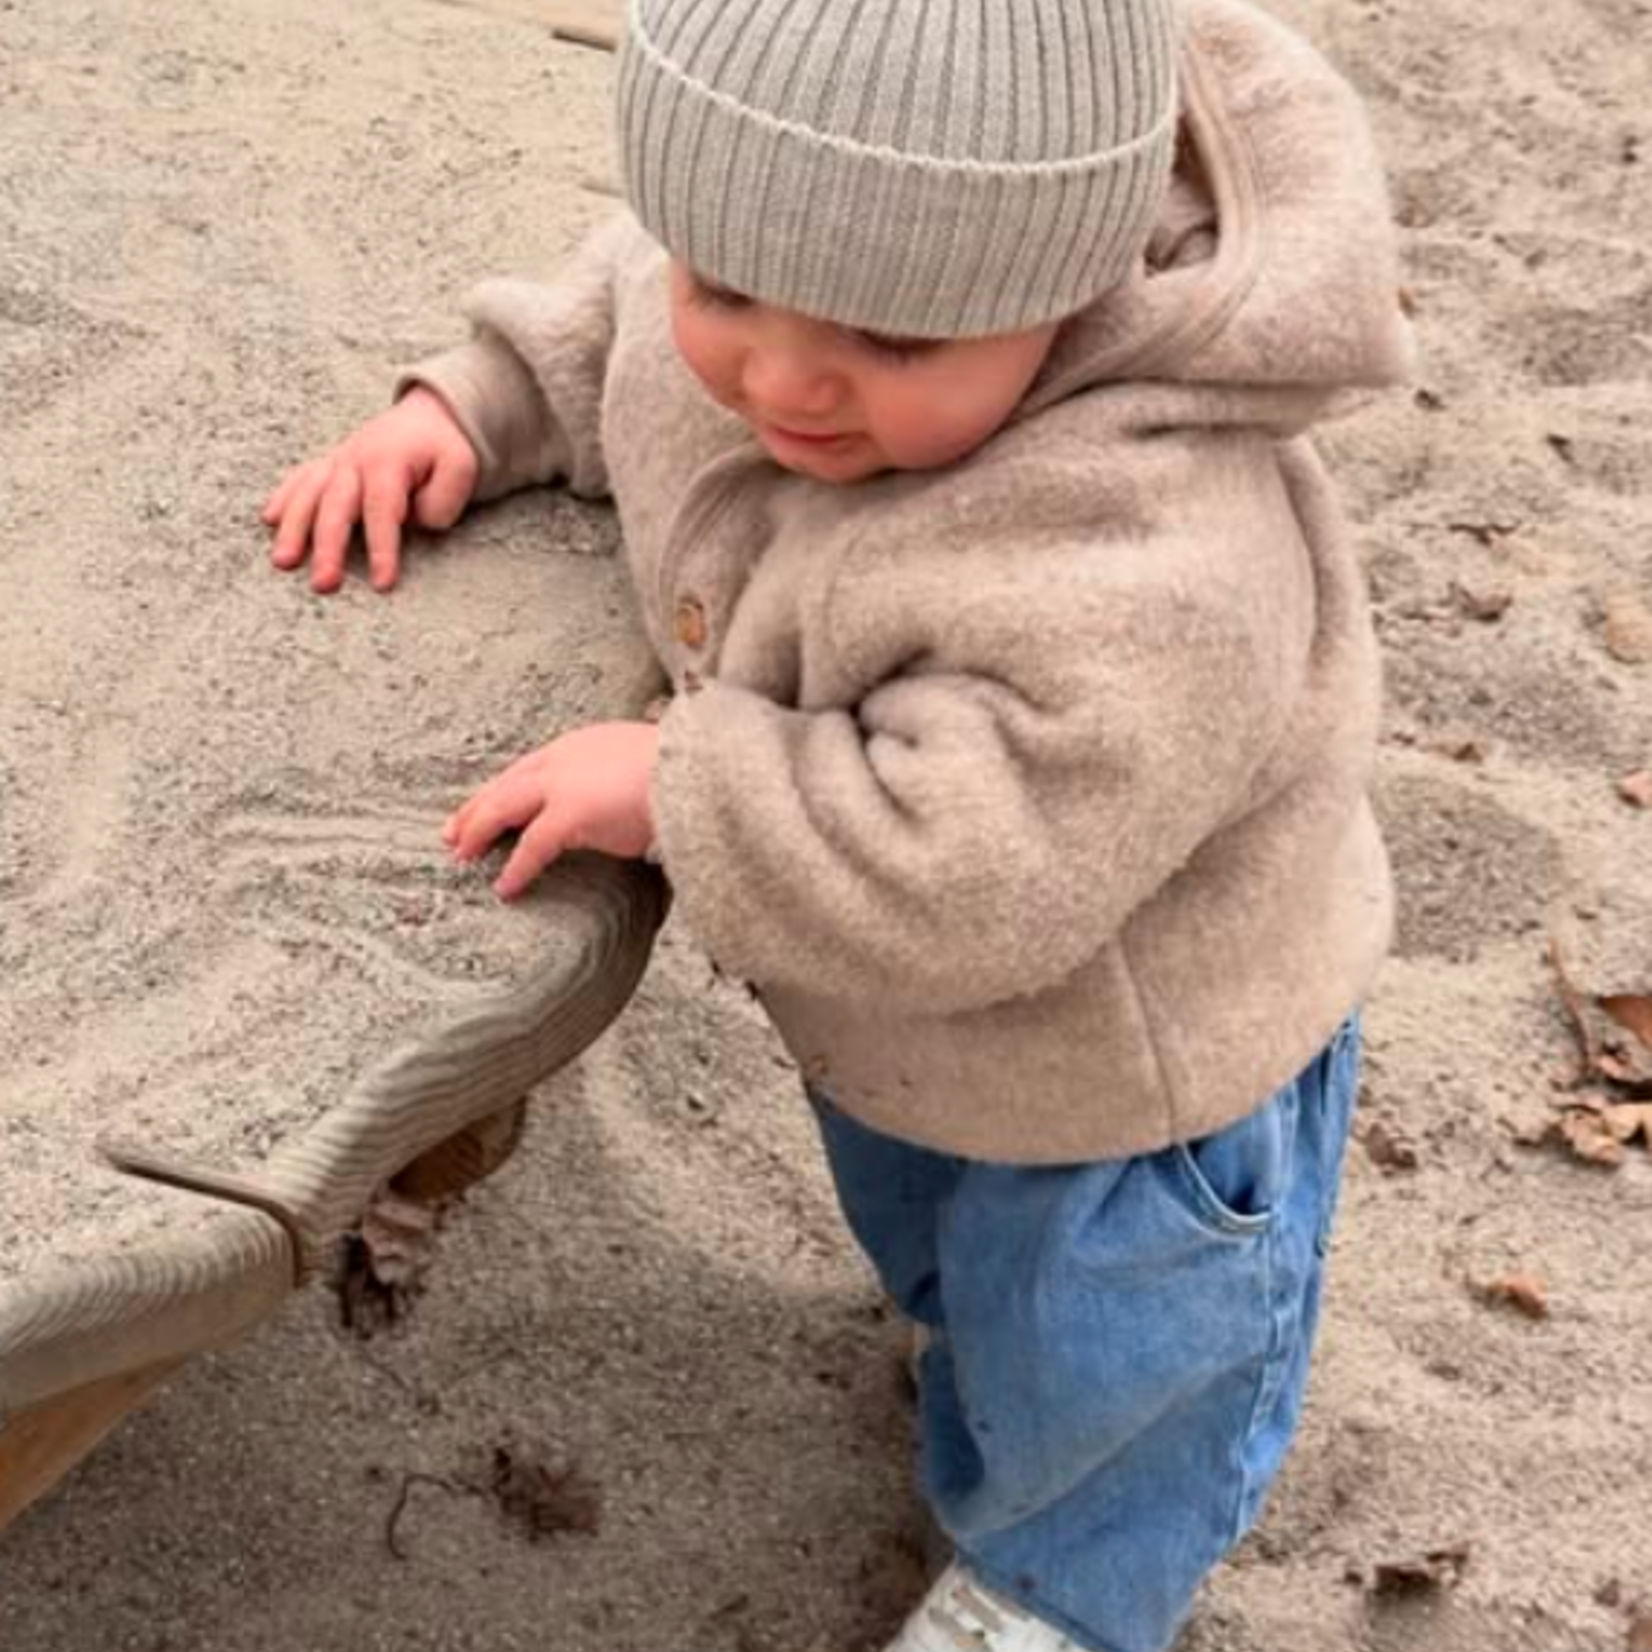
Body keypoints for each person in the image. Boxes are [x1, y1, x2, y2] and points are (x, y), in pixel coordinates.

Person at [263, 0, 1414, 1646]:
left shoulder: (1146, 549)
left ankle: (1060, 1598)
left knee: (1113, 1370)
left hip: (1132, 1091)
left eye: (897, 341)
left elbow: (978, 866)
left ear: (1064, 288)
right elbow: (615, 316)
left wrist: (682, 783)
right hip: (909, 1033)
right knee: (946, 1258)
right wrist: (473, 406)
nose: (783, 377)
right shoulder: (792, 282)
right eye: (727, 285)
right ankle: (970, 1374)